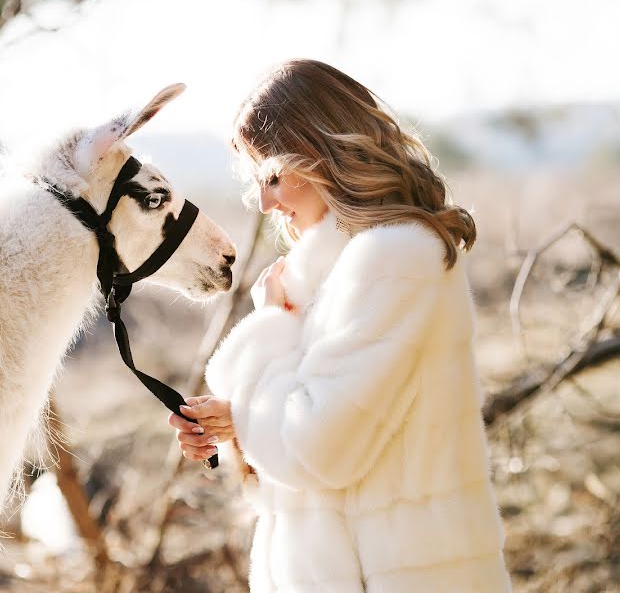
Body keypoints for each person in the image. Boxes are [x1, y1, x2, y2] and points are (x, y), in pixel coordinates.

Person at [168, 59, 511, 592]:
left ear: (322, 155)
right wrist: (229, 423)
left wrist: (270, 334)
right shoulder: (337, 271)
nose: (264, 202)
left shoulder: (396, 257)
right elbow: (308, 455)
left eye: (274, 176)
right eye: (255, 182)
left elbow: (318, 448)